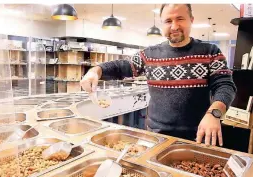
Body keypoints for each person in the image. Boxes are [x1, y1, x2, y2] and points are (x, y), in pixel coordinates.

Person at [80, 4, 236, 146]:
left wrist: (214, 114)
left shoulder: (210, 52)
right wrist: (96, 70)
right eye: (168, 21)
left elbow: (225, 86)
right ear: (162, 23)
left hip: (199, 136)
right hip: (156, 137)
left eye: (180, 19)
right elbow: (122, 67)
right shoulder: (149, 55)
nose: (174, 26)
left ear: (191, 20)